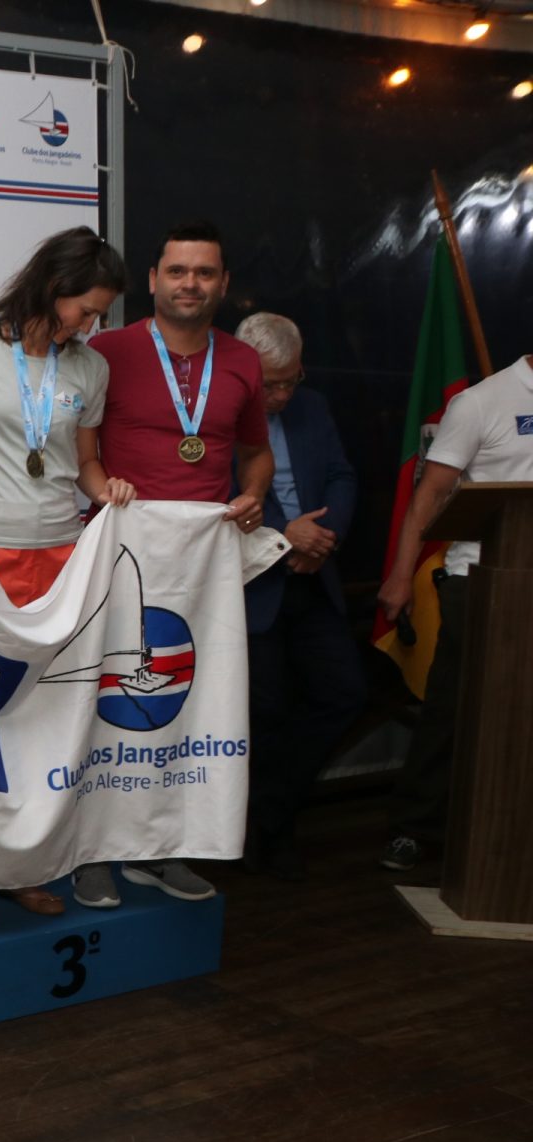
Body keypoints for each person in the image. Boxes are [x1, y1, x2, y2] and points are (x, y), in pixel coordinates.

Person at [79, 219, 271, 910]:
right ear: (154, 279)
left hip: (201, 570)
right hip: (121, 555)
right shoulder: (105, 352)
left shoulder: (243, 361)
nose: (191, 283)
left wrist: (254, 494)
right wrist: (101, 487)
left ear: (223, 283)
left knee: (186, 704)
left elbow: (255, 452)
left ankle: (164, 848)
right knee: (104, 703)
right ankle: (93, 850)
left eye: (205, 272)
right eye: (179, 271)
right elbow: (81, 451)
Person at [0, 225, 129, 925]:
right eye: (87, 309)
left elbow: (85, 462)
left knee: (38, 725)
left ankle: (18, 866)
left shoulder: (90, 369)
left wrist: (108, 489)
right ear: (54, 288)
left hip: (60, 559)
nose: (92, 325)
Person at [377, 353, 533, 871]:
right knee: (453, 706)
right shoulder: (480, 402)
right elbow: (430, 494)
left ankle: (511, 828)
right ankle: (415, 828)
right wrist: (402, 576)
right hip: (481, 580)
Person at [232, 312, 363, 881]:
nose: (282, 395)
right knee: (264, 711)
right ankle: (268, 830)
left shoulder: (313, 407)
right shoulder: (217, 415)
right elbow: (218, 494)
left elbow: (341, 476)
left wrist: (321, 538)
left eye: (291, 380)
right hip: (253, 585)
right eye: (271, 384)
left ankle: (268, 810)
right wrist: (287, 534)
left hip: (312, 577)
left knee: (345, 693)